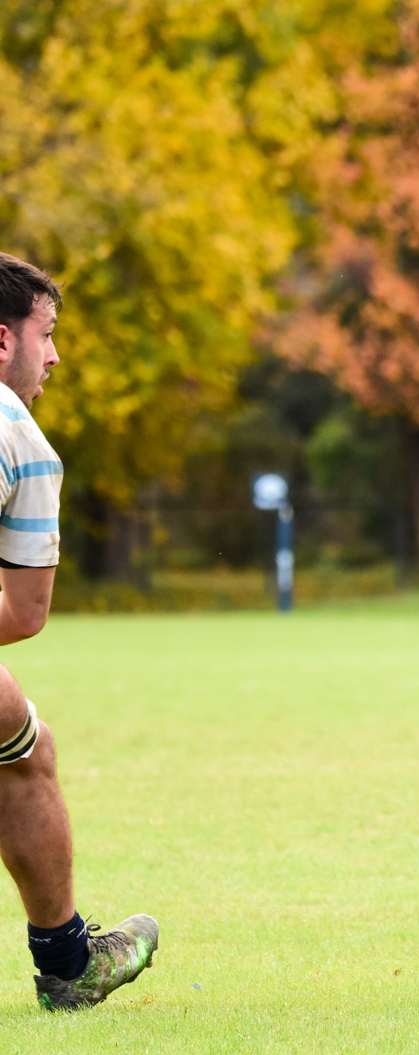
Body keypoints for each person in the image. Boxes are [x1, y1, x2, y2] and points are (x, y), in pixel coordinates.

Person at [0, 254, 158, 1010]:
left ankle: (68, 957)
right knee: (27, 753)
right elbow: (25, 613)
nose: (55, 355)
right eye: (48, 334)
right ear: (3, 342)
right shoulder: (21, 439)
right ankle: (67, 966)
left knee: (22, 744)